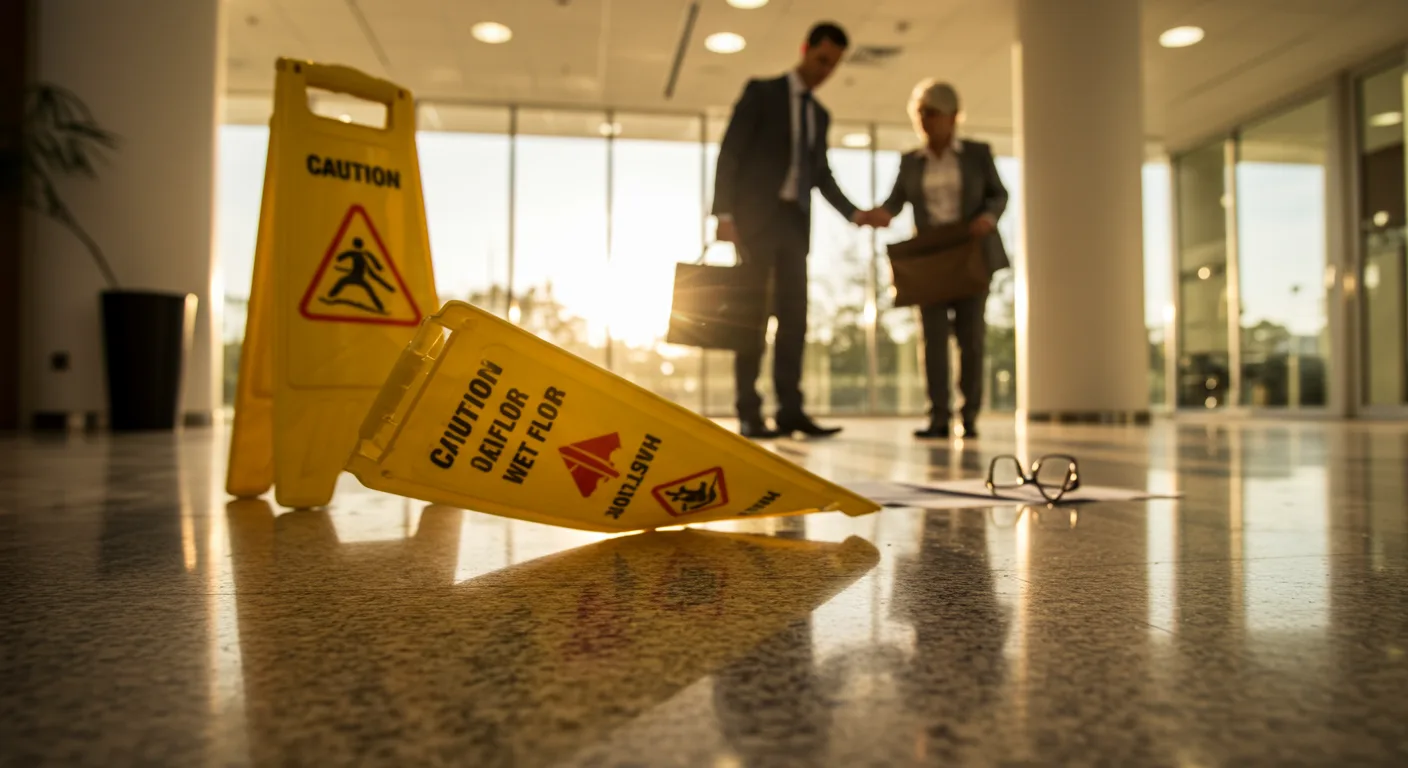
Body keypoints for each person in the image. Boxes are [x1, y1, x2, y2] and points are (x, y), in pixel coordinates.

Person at [711, 21, 881, 439]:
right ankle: (749, 411)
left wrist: (855, 214)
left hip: (794, 225)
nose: (826, 71)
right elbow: (730, 153)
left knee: (794, 318)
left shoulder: (820, 115)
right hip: (755, 223)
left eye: (833, 65)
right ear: (805, 49)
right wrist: (724, 215)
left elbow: (821, 174)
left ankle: (790, 410)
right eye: (822, 60)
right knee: (751, 318)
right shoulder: (762, 92)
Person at [864, 81, 1009, 439]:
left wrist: (988, 218)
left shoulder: (977, 154)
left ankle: (969, 415)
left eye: (932, 113)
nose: (925, 120)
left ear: (953, 116)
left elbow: (998, 194)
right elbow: (895, 201)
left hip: (969, 253)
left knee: (971, 337)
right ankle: (938, 416)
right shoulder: (911, 162)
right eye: (920, 113)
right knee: (932, 338)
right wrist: (877, 214)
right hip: (930, 258)